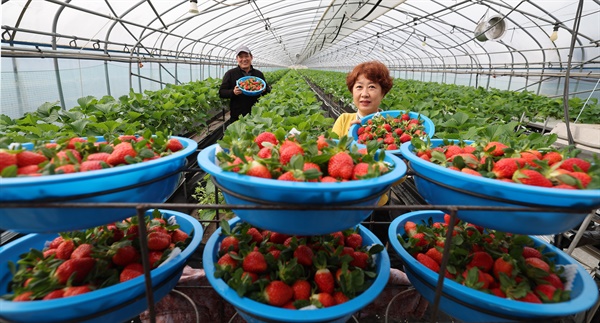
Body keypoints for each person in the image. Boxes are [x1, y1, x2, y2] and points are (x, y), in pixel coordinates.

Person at [331, 61, 395, 246]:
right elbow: (330, 157)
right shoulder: (344, 120)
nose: (365, 93)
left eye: (372, 87)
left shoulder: (390, 129)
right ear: (352, 91)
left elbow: (398, 178)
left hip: (376, 204)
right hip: (344, 201)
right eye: (359, 87)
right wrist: (350, 140)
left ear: (383, 93)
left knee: (373, 251)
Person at [219, 45, 271, 123]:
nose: (244, 59)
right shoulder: (230, 74)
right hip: (237, 116)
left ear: (251, 57)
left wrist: (264, 90)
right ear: (237, 59)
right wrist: (233, 92)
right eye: (241, 57)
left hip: (256, 115)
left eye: (246, 56)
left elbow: (267, 90)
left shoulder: (258, 74)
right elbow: (221, 92)